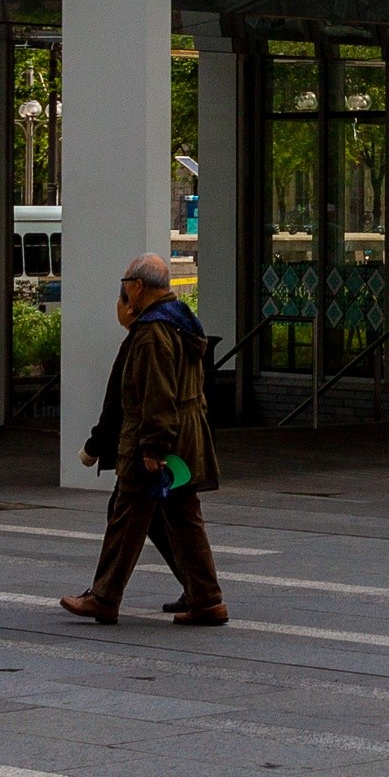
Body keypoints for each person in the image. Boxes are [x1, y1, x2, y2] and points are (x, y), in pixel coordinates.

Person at [61, 252, 225, 628]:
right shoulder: (181, 320)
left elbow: (158, 394)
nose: (125, 295)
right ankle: (206, 599)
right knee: (182, 518)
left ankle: (104, 597)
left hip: (154, 442)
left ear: (136, 287)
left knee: (127, 516)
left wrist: (153, 448)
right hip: (184, 436)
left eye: (125, 287)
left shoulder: (152, 331)